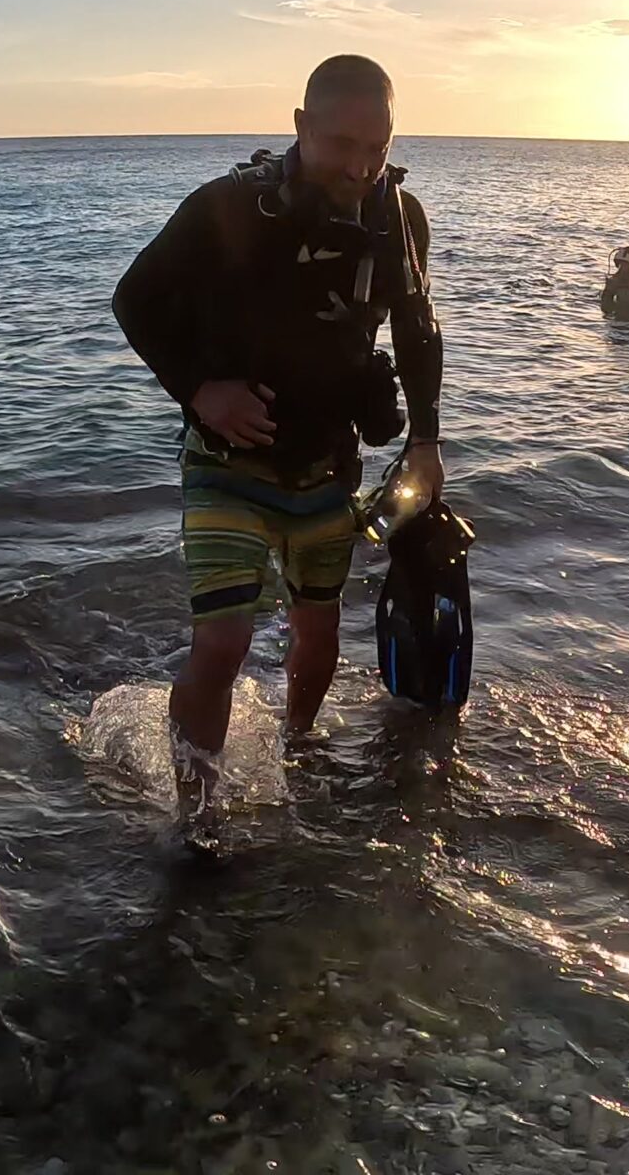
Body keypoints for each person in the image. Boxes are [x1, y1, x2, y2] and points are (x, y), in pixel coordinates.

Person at [112, 54, 447, 835]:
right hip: (226, 463)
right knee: (223, 641)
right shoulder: (229, 207)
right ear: (301, 126)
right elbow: (135, 298)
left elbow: (417, 329)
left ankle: (297, 746)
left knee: (318, 631)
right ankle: (198, 821)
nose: (361, 168)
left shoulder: (398, 217)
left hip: (327, 467)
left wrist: (426, 444)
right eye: (343, 146)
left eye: (379, 148)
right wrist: (201, 389)